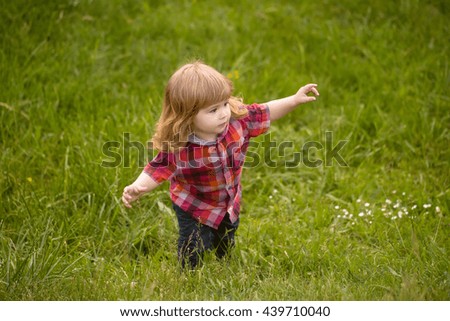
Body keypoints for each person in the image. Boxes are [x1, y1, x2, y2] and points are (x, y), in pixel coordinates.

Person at [122, 61, 319, 269]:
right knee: (194, 245)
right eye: (213, 110)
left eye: (225, 103)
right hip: (193, 204)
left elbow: (266, 111)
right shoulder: (180, 145)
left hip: (228, 201)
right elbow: (158, 168)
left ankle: (223, 261)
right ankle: (189, 275)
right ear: (187, 115)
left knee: (227, 234)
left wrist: (294, 100)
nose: (224, 113)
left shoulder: (238, 121)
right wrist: (138, 186)